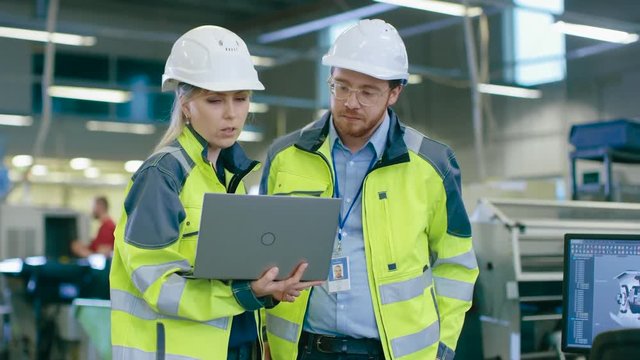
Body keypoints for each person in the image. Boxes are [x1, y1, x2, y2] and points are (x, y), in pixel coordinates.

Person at [260, 19, 479, 360]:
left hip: (392, 353)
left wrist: (443, 347)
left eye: (367, 91)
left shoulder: (432, 164)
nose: (351, 102)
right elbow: (264, 256)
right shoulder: (285, 157)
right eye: (341, 87)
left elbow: (457, 265)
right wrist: (266, 340)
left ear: (395, 92)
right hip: (303, 350)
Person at [109, 25, 319, 360]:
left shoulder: (227, 176)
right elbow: (157, 284)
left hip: (235, 345)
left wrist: (268, 287)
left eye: (241, 99)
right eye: (215, 100)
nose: (231, 114)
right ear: (186, 104)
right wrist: (243, 293)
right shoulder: (163, 176)